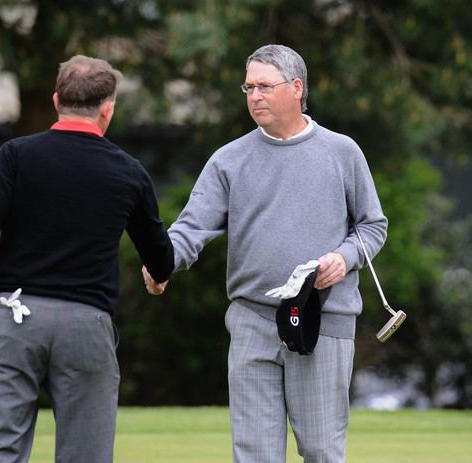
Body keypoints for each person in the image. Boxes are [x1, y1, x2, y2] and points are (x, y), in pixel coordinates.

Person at [0, 55, 174, 463]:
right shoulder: (129, 172)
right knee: (85, 455)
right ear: (108, 109)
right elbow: (159, 252)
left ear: (56, 100)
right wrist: (158, 277)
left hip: (15, 317)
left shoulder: (17, 155)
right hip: (87, 325)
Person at [143, 44, 387, 462]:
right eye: (248, 87)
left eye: (264, 86)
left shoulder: (342, 152)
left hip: (322, 320)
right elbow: (191, 226)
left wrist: (343, 258)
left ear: (296, 88)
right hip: (251, 321)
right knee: (254, 454)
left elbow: (372, 226)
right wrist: (163, 261)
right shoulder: (229, 159)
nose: (254, 96)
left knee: (321, 451)